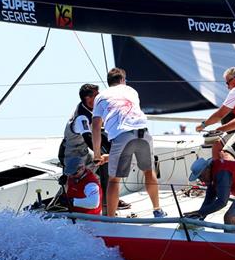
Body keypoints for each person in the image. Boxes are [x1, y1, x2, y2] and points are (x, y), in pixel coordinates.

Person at [92, 68, 164, 218]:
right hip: (143, 133)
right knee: (149, 173)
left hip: (122, 135)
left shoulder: (101, 96)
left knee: (114, 180)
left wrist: (97, 154)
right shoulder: (132, 91)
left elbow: (96, 126)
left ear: (109, 82)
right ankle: (158, 210)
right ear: (123, 80)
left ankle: (111, 219)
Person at [59, 83, 129, 212]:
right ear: (88, 98)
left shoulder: (91, 109)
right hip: (73, 153)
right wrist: (98, 155)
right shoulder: (81, 117)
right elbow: (88, 138)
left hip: (84, 151)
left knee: (107, 164)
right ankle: (62, 202)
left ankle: (110, 200)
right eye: (97, 96)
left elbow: (101, 131)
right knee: (74, 178)